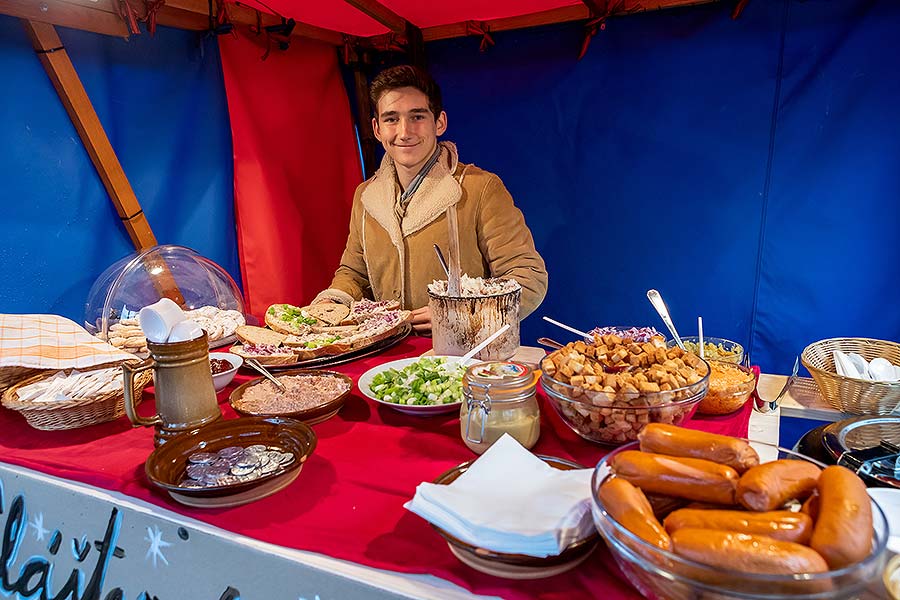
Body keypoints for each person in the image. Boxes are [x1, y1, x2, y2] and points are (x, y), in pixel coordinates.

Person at [313, 65, 547, 334]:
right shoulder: (365, 196)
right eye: (391, 119)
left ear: (440, 122)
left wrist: (464, 316)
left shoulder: (481, 188)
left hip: (465, 358)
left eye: (417, 117)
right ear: (376, 129)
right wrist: (333, 301)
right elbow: (354, 273)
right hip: (387, 360)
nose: (404, 132)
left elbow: (528, 278)